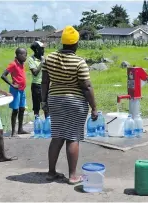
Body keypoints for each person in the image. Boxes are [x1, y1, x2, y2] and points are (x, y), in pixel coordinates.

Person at [41, 26, 98, 184]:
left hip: (55, 100)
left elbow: (45, 81)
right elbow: (86, 86)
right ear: (75, 44)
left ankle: (51, 172)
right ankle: (73, 176)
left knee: (57, 136)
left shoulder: (49, 58)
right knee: (73, 137)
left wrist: (44, 101)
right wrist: (94, 107)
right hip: (74, 102)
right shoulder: (79, 62)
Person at [1, 48, 29, 136]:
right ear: (19, 55)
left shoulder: (22, 64)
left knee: (22, 109)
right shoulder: (13, 64)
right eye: (25, 54)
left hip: (22, 90)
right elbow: (3, 75)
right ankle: (13, 131)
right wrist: (12, 85)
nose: (26, 56)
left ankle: (20, 129)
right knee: (15, 110)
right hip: (15, 90)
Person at [28, 41, 47, 117]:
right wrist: (42, 63)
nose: (43, 51)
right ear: (36, 50)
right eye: (41, 49)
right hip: (36, 86)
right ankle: (37, 126)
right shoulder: (31, 59)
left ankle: (47, 125)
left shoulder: (44, 58)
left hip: (45, 85)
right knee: (36, 108)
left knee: (46, 107)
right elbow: (35, 73)